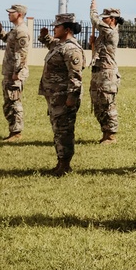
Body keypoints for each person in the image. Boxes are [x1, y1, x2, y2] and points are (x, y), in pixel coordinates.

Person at [38, 13, 84, 177]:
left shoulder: (71, 49)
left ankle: (65, 165)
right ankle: (60, 162)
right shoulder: (60, 44)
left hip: (64, 97)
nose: (54, 28)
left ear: (67, 29)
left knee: (64, 131)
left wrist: (72, 98)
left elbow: (76, 76)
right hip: (55, 97)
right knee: (58, 130)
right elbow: (52, 44)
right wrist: (44, 37)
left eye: (57, 26)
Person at [0, 4, 30, 141]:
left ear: (19, 14)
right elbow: (7, 39)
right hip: (10, 71)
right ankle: (13, 131)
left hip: (15, 73)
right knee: (9, 102)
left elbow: (22, 54)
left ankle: (16, 133)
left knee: (14, 102)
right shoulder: (16, 30)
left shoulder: (22, 31)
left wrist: (17, 72)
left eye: (11, 12)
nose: (9, 14)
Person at [88, 3, 122, 144]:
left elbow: (95, 20)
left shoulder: (111, 32)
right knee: (98, 104)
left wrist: (93, 10)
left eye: (105, 18)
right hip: (98, 71)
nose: (103, 20)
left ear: (113, 19)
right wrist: (94, 45)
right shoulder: (103, 34)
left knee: (107, 104)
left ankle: (111, 135)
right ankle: (105, 131)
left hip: (107, 74)